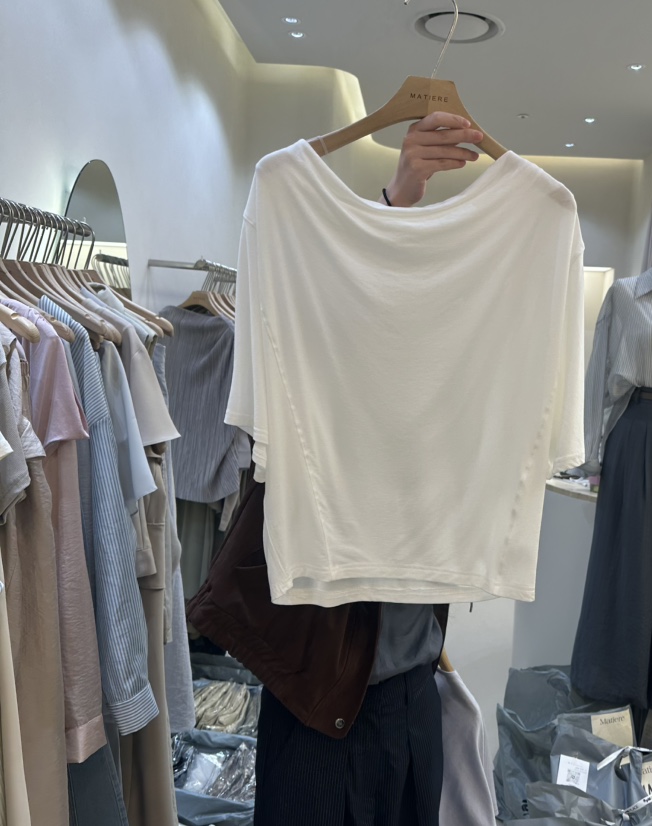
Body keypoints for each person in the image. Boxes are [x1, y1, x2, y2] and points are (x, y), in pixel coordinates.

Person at [189, 113, 487, 826]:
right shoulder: (326, 341)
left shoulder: (462, 360)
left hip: (411, 684)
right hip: (316, 680)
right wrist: (399, 199)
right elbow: (336, 309)